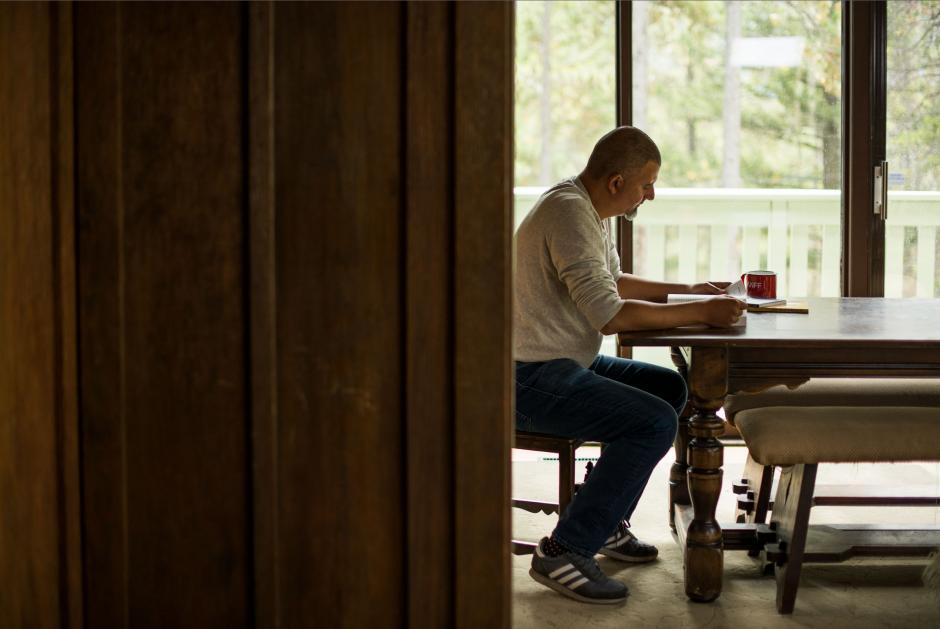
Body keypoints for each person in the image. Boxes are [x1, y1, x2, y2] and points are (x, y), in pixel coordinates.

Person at [514, 126, 744, 605]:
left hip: (559, 362)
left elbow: (614, 281)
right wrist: (702, 312)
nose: (652, 194)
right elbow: (611, 314)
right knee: (653, 421)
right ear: (616, 182)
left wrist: (691, 291)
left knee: (669, 391)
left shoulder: (587, 209)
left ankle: (605, 520)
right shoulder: (568, 213)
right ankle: (565, 549)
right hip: (525, 379)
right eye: (647, 184)